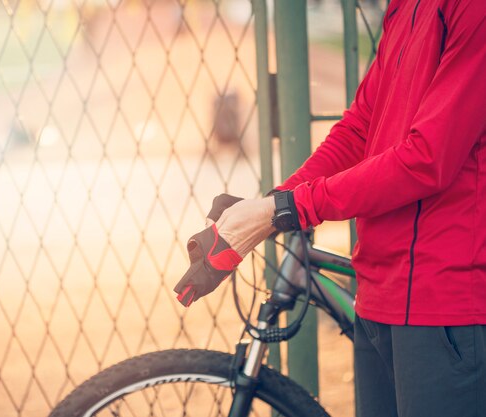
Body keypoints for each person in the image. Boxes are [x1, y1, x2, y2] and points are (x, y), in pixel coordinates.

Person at [174, 0, 486, 416]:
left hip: (442, 303)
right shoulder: (405, 6)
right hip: (378, 293)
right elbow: (360, 128)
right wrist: (273, 203)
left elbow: (427, 159)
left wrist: (288, 209)